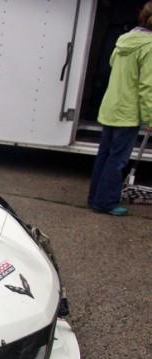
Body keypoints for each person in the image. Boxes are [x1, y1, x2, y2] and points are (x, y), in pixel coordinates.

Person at [88, 2, 152, 216]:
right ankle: (106, 202)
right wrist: (151, 117)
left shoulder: (123, 39)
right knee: (117, 159)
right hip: (127, 112)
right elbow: (147, 86)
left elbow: (113, 65)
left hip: (110, 107)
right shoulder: (149, 46)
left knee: (104, 155)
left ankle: (95, 198)